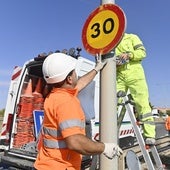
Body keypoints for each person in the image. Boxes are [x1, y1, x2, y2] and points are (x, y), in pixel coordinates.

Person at [34, 53, 122, 170]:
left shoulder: (55, 95)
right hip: (61, 167)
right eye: (74, 71)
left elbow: (80, 83)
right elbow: (75, 142)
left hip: (45, 165)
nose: (76, 74)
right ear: (69, 79)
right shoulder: (67, 102)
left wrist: (96, 69)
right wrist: (104, 148)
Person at [115, 33, 156, 145]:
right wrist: (116, 63)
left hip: (135, 74)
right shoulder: (112, 43)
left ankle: (149, 135)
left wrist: (129, 55)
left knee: (142, 103)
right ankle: (110, 132)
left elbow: (142, 53)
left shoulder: (132, 37)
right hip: (119, 76)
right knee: (112, 103)